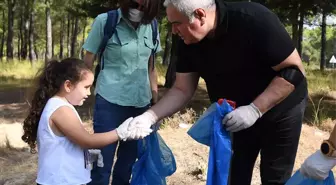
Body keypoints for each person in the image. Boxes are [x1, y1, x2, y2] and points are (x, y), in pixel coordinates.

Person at [127, 0, 308, 184]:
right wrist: (150, 116)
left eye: (176, 24)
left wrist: (255, 109)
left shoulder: (253, 20)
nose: (173, 31)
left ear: (200, 15)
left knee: (274, 177)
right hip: (235, 115)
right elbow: (182, 89)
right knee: (233, 175)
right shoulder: (187, 40)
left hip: (280, 108)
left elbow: (294, 71)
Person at [21, 58, 151, 185]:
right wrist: (120, 132)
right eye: (86, 87)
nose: (89, 93)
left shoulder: (60, 106)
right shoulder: (61, 109)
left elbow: (70, 144)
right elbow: (86, 140)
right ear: (68, 85)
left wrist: (87, 156)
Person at [82, 0, 162, 184]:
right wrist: (82, 91)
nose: (138, 10)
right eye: (135, 4)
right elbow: (87, 62)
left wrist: (155, 101)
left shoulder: (153, 26)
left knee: (127, 165)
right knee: (101, 163)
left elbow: (151, 67)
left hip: (140, 106)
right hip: (109, 103)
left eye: (144, 7)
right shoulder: (104, 21)